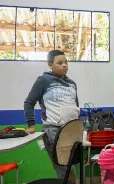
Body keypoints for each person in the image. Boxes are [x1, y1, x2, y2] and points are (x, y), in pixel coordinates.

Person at [24, 50, 79, 183]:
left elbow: (75, 105)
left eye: (66, 62)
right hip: (53, 131)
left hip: (72, 131)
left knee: (72, 168)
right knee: (63, 170)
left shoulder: (72, 83)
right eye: (59, 63)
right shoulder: (43, 80)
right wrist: (31, 126)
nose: (64, 65)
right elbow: (29, 103)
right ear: (50, 65)